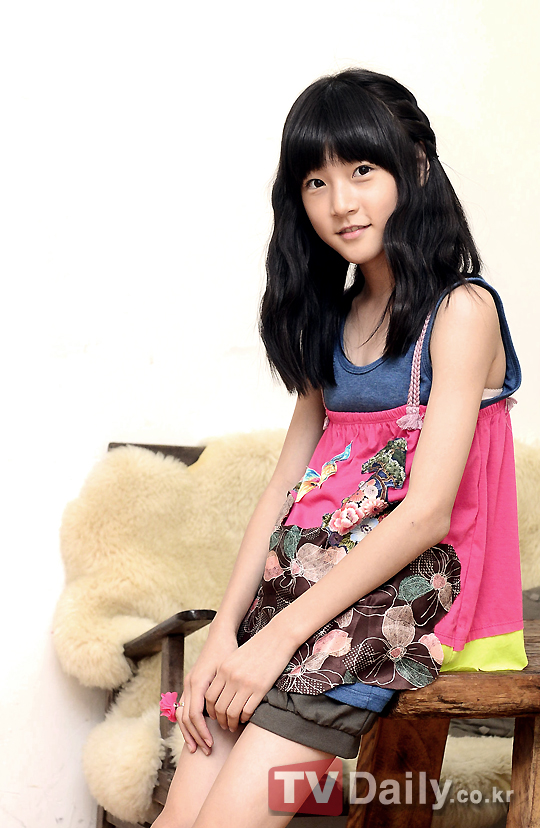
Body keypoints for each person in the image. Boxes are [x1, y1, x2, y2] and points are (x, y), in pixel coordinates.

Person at [152, 68, 525, 828]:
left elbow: (426, 515)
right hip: (301, 593)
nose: (341, 203)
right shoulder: (335, 316)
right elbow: (283, 489)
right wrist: (225, 634)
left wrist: (275, 642)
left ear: (416, 166)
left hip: (396, 604)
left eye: (361, 170)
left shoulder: (462, 310)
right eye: (316, 182)